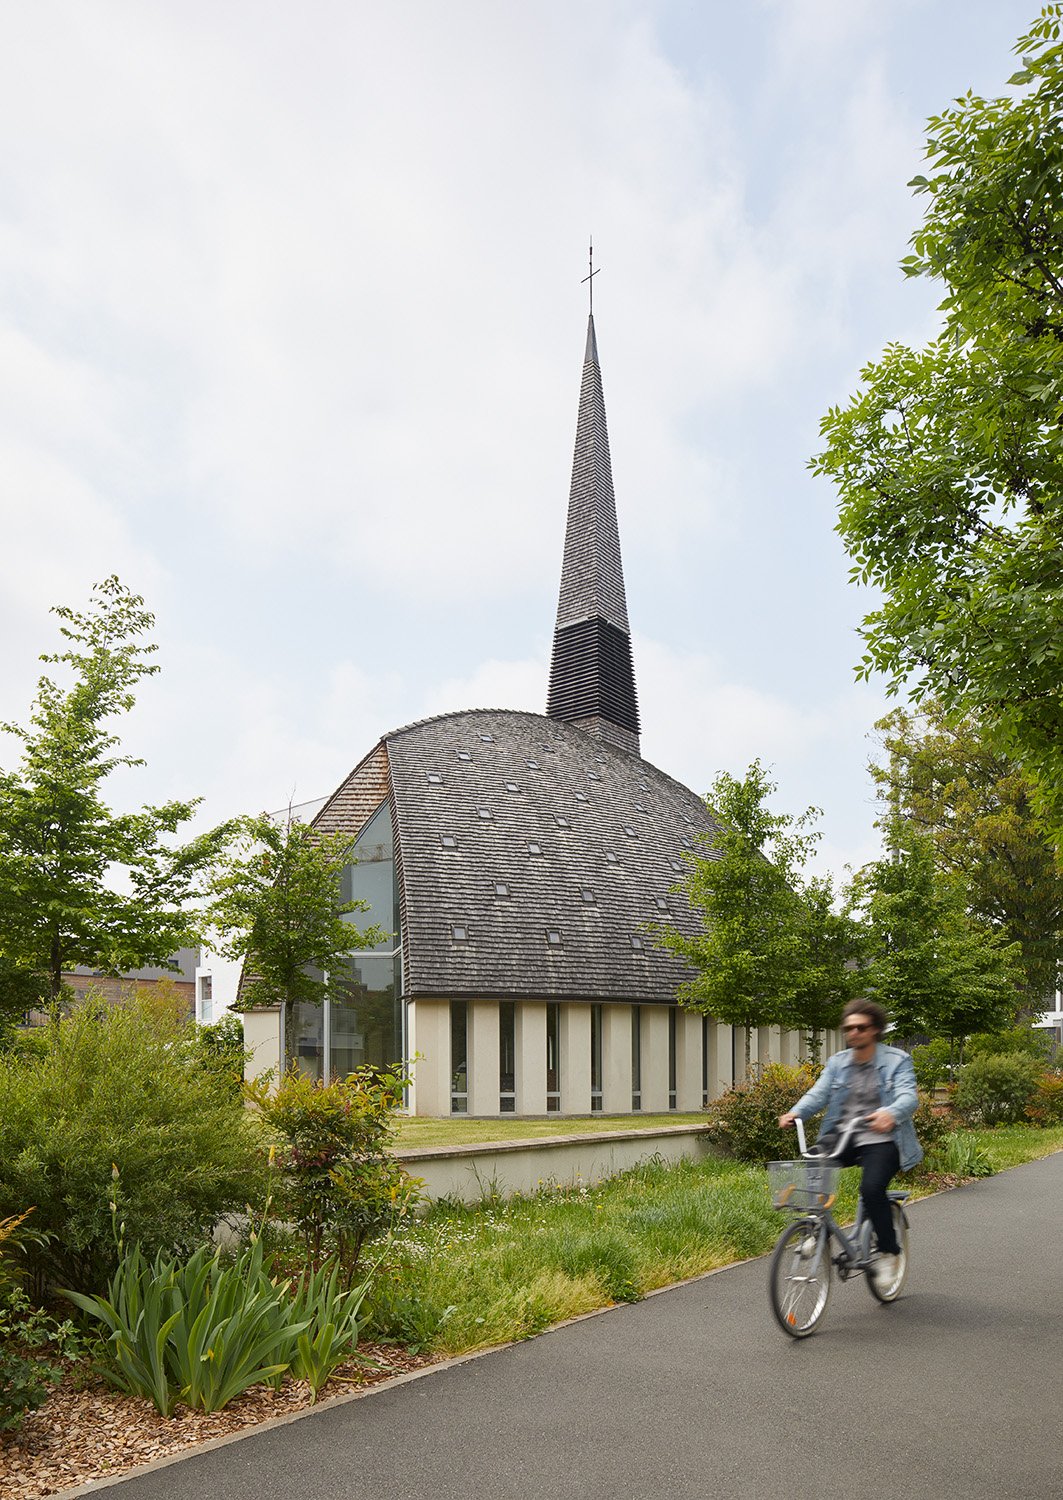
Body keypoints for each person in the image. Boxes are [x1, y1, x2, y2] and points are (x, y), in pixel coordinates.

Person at [778, 1000, 922, 1284]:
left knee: (871, 1189)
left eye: (861, 1027)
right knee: (813, 1165)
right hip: (845, 1134)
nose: (853, 1033)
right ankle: (813, 1230)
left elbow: (909, 1097)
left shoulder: (897, 1060)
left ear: (876, 1030)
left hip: (883, 1138)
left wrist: (890, 1113)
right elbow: (817, 1094)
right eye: (849, 1028)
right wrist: (796, 1112)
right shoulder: (838, 1063)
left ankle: (890, 1252)